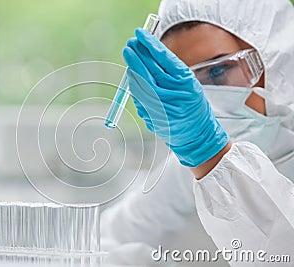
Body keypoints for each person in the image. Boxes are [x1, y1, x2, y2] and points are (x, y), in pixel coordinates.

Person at [101, 0, 294, 266]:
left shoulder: (203, 148)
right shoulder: (187, 169)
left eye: (217, 71)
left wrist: (209, 152)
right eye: (182, 83)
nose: (201, 102)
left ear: (275, 60)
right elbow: (108, 240)